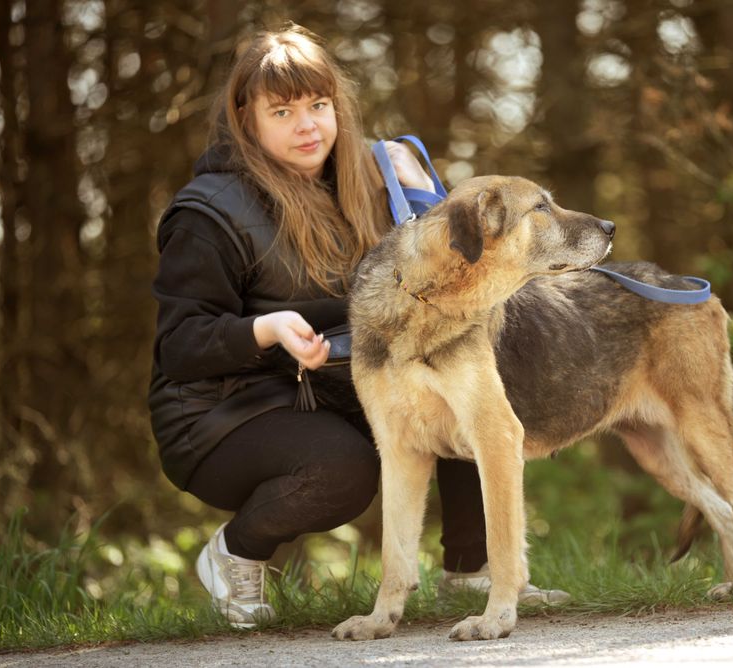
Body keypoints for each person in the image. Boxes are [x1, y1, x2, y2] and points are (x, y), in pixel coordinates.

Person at [148, 25, 568, 629]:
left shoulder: (370, 176)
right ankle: (236, 553)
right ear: (245, 117)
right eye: (284, 111)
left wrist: (420, 193)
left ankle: (471, 571)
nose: (308, 126)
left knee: (457, 380)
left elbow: (444, 280)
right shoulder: (207, 213)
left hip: (331, 384)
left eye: (319, 106)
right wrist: (264, 330)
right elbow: (180, 347)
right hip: (220, 410)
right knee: (344, 470)